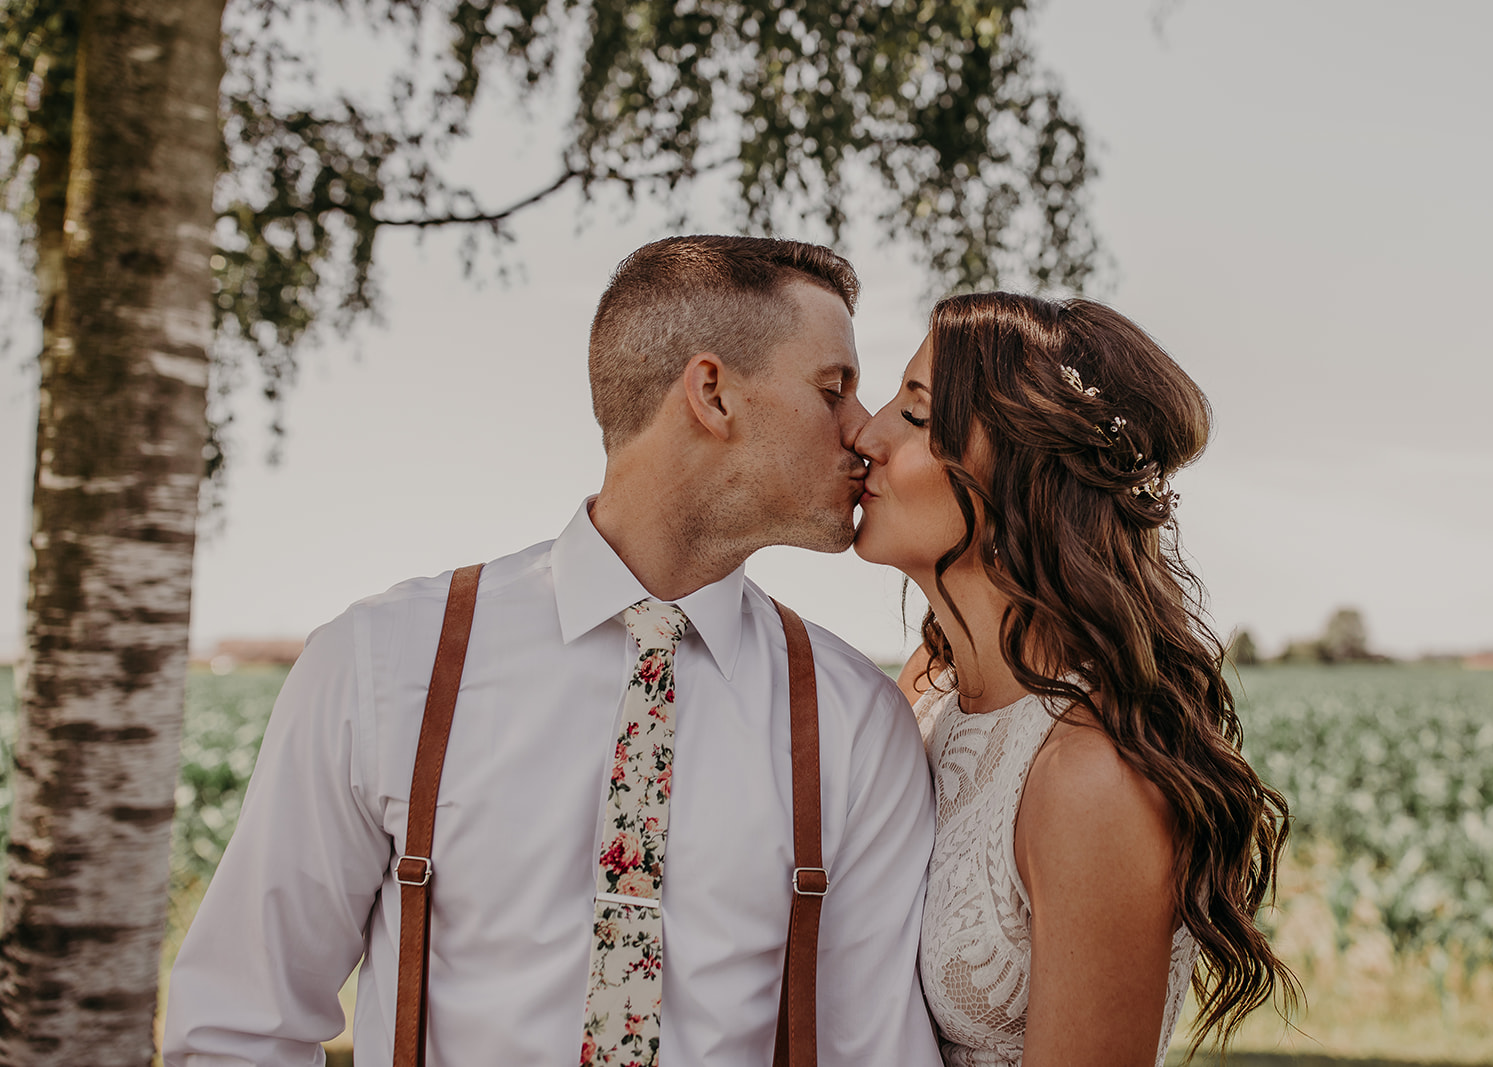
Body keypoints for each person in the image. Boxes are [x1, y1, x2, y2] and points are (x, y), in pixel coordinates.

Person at [163, 236, 942, 1066]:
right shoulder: (382, 664)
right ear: (712, 394)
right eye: (836, 389)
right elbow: (239, 1028)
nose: (865, 431)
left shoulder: (855, 723)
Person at [852, 292, 1297, 1066]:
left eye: (917, 417)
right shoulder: (931, 687)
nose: (866, 434)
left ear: (1021, 473)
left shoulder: (1089, 776)